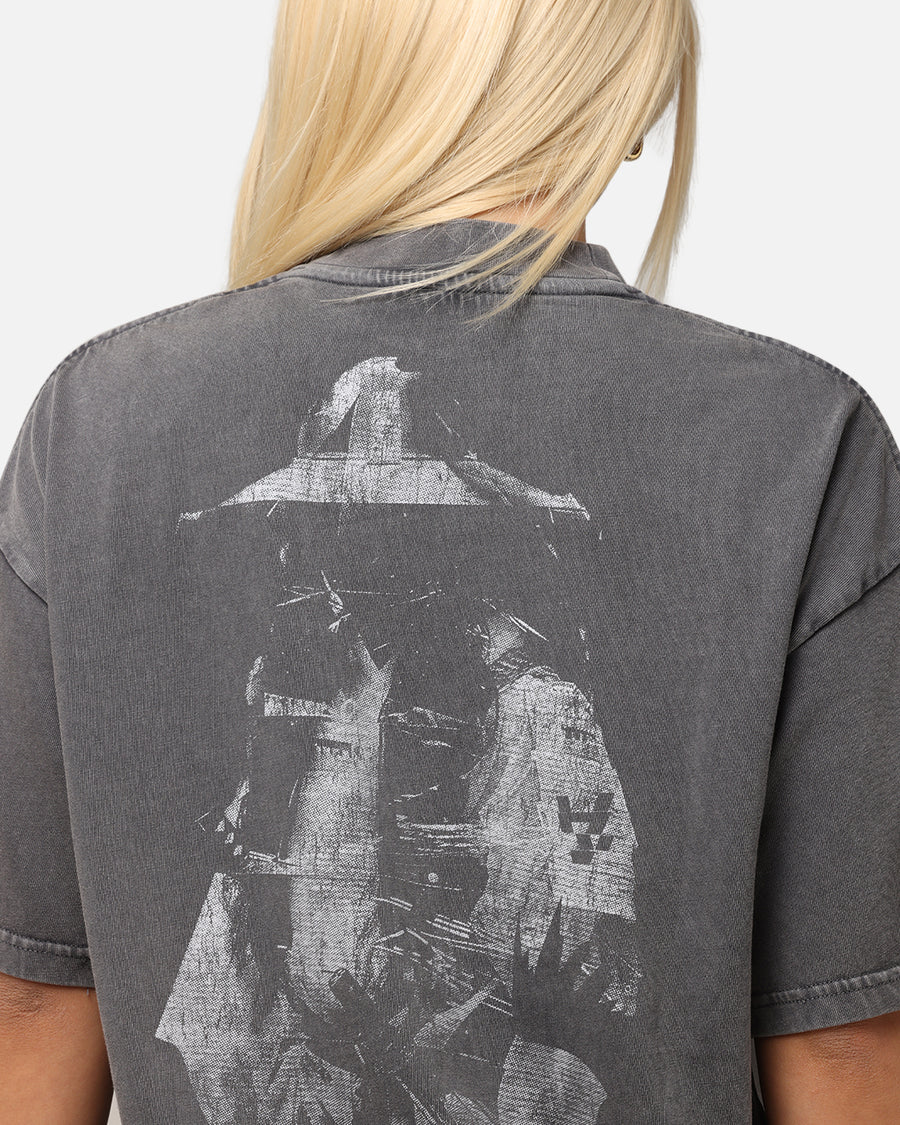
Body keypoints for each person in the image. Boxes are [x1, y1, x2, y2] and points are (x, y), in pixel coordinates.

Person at [1, 1, 898, 1122]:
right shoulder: (788, 437)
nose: (355, 561)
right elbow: (843, 1054)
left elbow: (34, 1011)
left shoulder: (100, 421)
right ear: (630, 106)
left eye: (391, 530)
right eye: (339, 529)